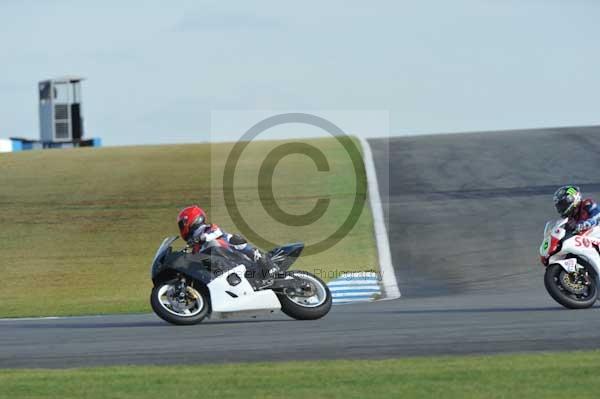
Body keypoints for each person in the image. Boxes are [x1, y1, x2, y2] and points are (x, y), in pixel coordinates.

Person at [176, 205, 278, 286]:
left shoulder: (208, 228)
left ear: (191, 220)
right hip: (222, 268)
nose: (181, 228)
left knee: (231, 241)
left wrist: (201, 238)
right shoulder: (195, 246)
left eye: (182, 224)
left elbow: (216, 232)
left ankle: (265, 263)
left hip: (233, 254)